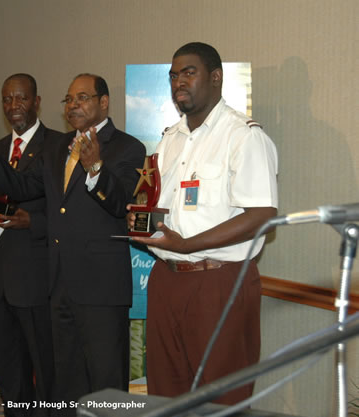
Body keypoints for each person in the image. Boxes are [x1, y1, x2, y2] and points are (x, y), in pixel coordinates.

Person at [0, 74, 145, 415]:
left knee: (106, 383)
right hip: (58, 287)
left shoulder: (128, 147)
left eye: (83, 98)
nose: (73, 105)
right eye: (69, 99)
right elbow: (19, 186)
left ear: (104, 103)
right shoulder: (56, 149)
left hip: (101, 289)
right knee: (66, 383)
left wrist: (95, 167)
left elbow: (119, 203)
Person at [129, 42, 278, 404]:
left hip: (219, 282)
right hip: (166, 279)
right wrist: (138, 219)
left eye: (189, 72)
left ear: (216, 78)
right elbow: (161, 205)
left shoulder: (243, 136)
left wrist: (188, 245)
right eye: (174, 75)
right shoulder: (169, 139)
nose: (179, 81)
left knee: (220, 394)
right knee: (166, 389)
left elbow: (262, 215)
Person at [0, 73, 60, 417]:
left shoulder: (57, 146)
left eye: (21, 98)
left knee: (45, 367)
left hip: (36, 278)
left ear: (37, 102)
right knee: (8, 368)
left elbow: (68, 215)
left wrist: (33, 222)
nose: (13, 106)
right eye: (7, 99)